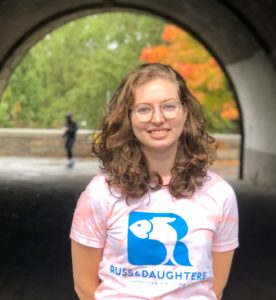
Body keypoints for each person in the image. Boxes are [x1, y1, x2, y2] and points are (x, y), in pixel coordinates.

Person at [70, 63, 239, 299]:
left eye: (169, 106)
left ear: (185, 111)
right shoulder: (100, 192)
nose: (158, 119)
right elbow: (85, 286)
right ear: (128, 116)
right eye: (144, 109)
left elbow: (214, 288)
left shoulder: (219, 194)